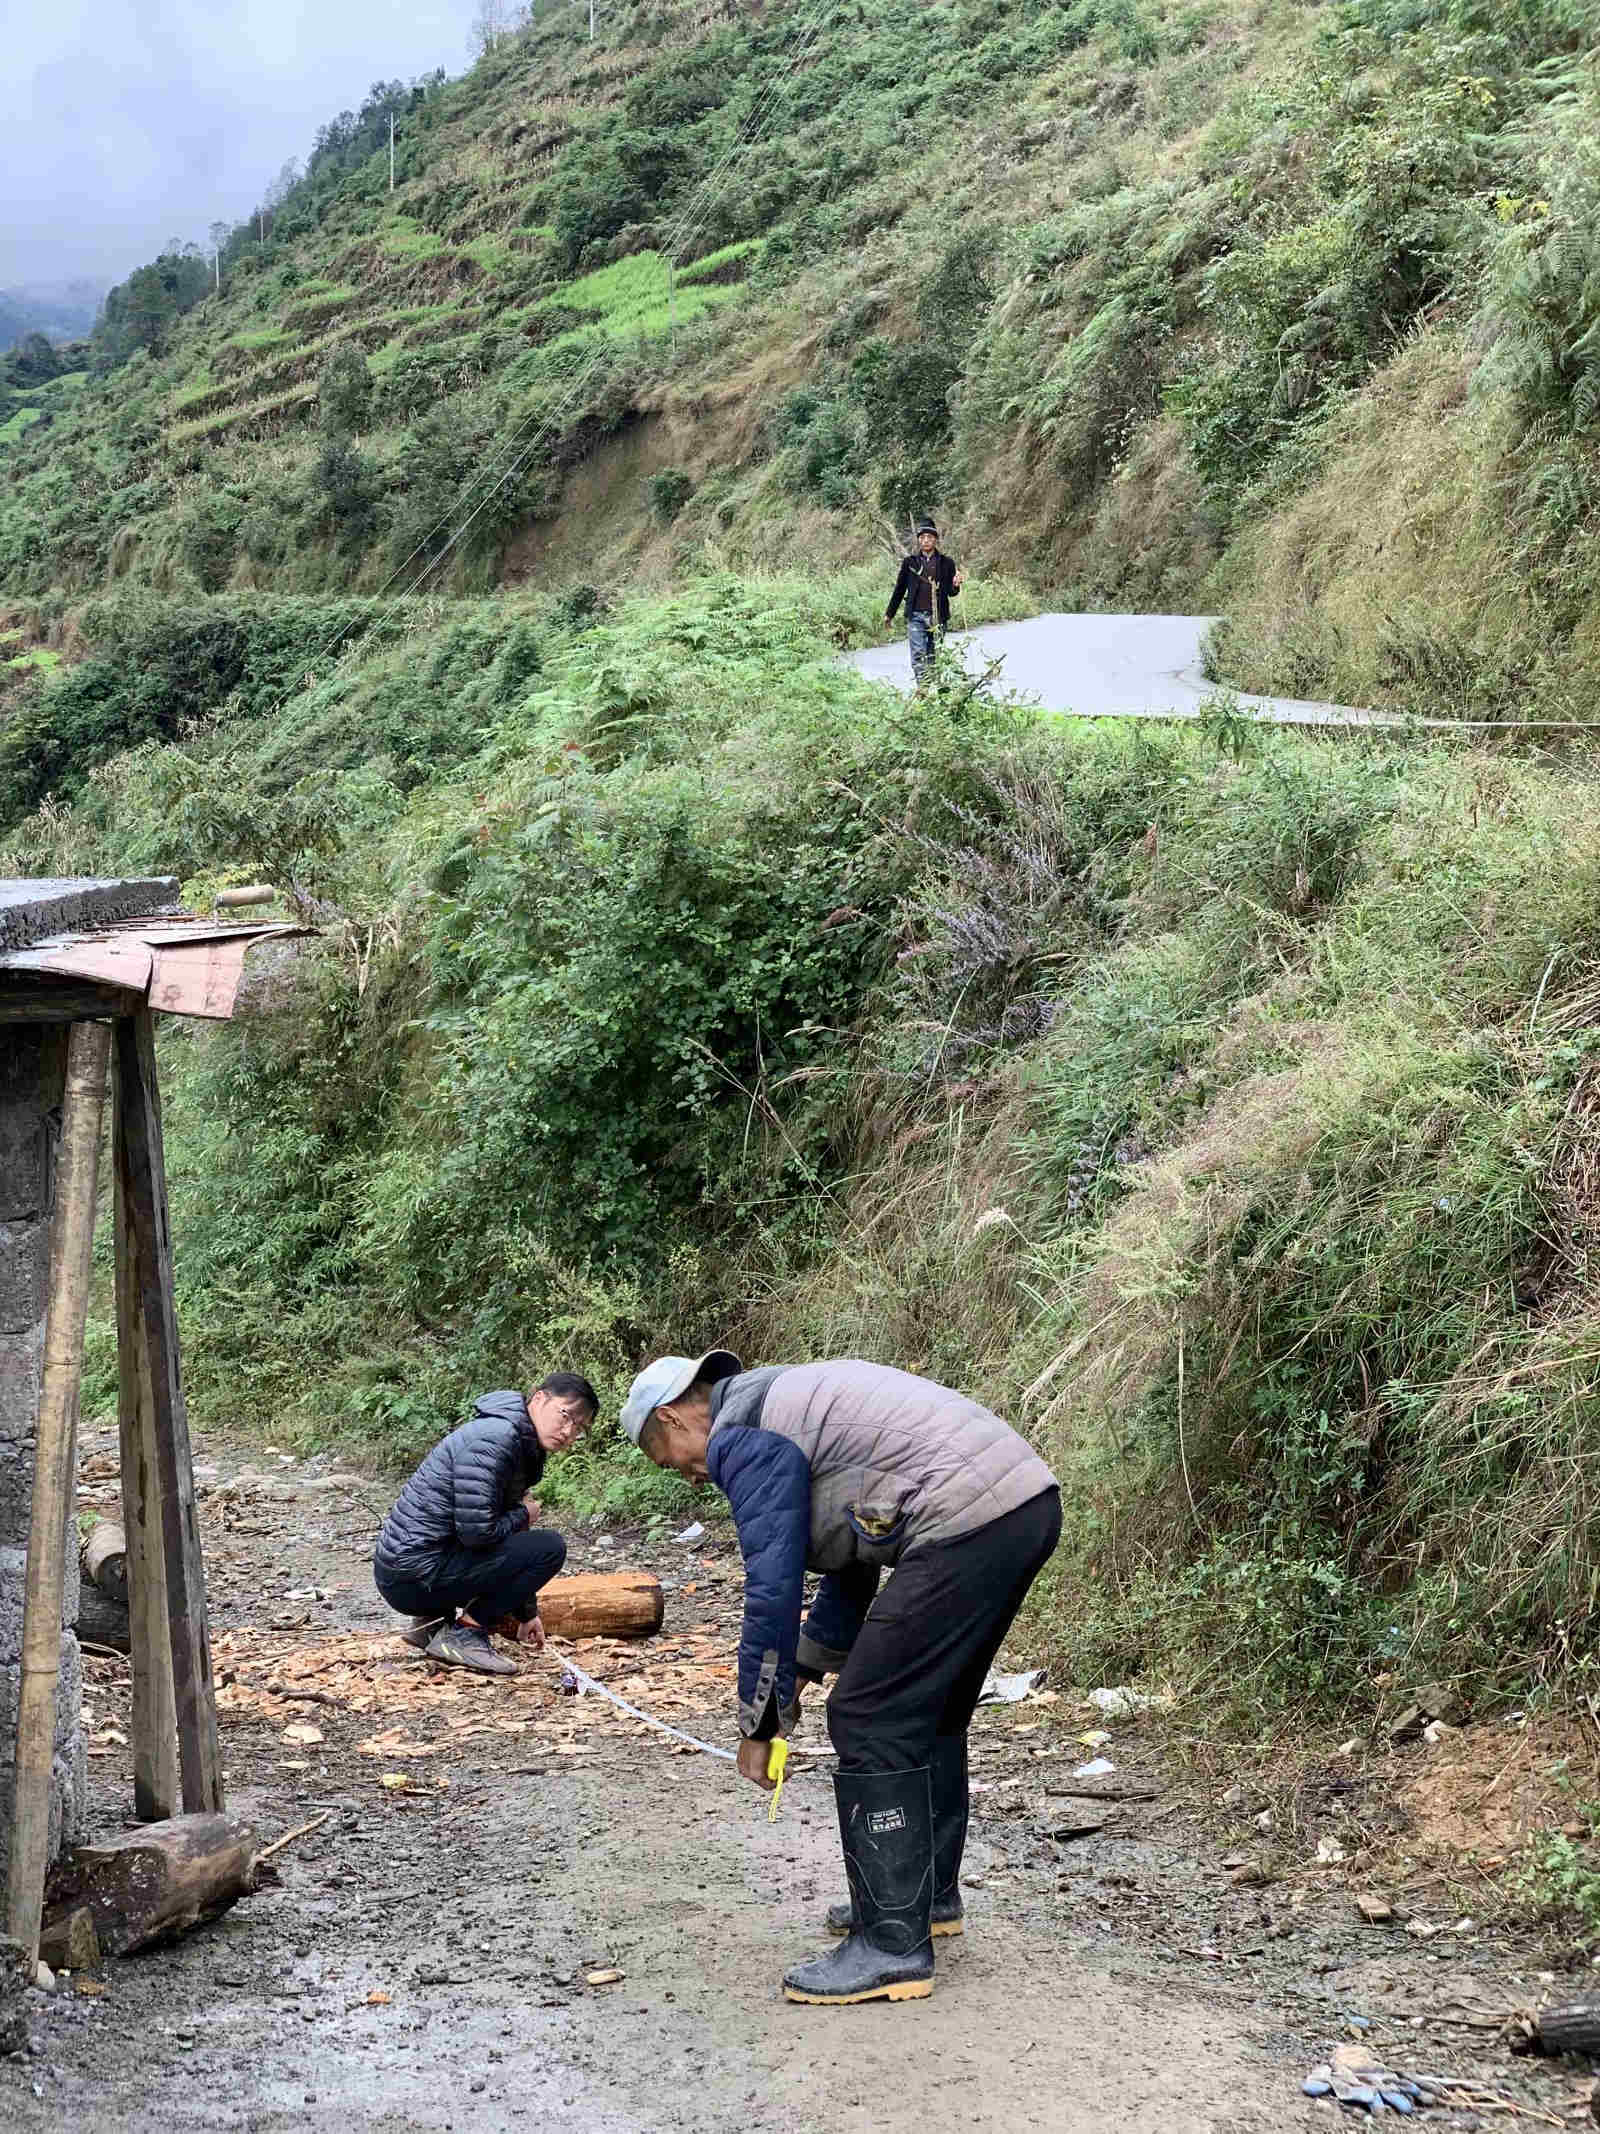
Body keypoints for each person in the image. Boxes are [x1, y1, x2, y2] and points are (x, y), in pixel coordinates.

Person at [620, 1348, 1059, 2006]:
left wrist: (760, 1723)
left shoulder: (744, 1434)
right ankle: (922, 1899)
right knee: (926, 1710)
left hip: (966, 1514)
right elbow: (849, 1568)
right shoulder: (781, 1410)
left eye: (667, 1459)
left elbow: (771, 1590)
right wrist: (795, 1675)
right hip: (1020, 1503)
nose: (686, 1478)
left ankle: (890, 1945)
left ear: (674, 1418)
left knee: (869, 1714)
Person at [372, 1372, 598, 1676]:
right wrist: (525, 1514)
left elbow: (503, 1535)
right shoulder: (497, 1438)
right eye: (566, 1415)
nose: (569, 1431)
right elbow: (478, 1534)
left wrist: (526, 1612)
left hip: (407, 1572)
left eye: (580, 1428)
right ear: (541, 1398)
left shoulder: (517, 1439)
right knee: (549, 1548)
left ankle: (431, 1626)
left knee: (531, 1544)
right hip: (412, 1575)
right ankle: (465, 1634)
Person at [884, 517, 962, 686]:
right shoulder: (909, 563)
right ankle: (923, 689)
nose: (926, 540)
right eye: (922, 537)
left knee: (934, 654)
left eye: (929, 537)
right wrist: (889, 614)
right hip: (916, 616)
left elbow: (951, 592)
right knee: (918, 654)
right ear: (919, 540)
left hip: (938, 616)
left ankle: (938, 690)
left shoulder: (947, 563)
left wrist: (956, 584)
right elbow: (899, 589)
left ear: (935, 540)